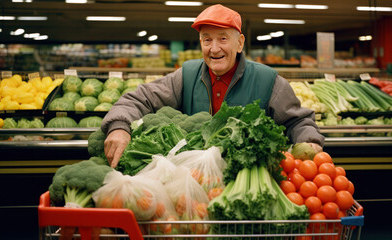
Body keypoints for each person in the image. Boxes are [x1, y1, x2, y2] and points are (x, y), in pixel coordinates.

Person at [102, 4, 325, 168]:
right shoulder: (186, 75)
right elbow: (138, 99)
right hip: (194, 179)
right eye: (207, 39)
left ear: (239, 43)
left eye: (223, 39)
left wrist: (309, 142)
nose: (214, 48)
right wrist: (119, 126)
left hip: (248, 178)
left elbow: (298, 121)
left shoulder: (269, 80)